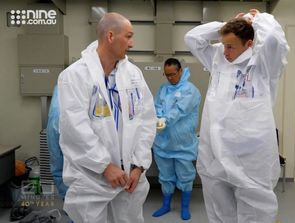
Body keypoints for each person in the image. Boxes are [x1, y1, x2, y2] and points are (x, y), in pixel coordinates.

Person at [184, 9, 289, 223]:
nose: (225, 51)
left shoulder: (264, 62)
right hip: (215, 152)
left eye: (230, 46)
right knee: (219, 209)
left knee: (256, 210)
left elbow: (274, 39)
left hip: (250, 155)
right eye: (224, 45)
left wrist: (257, 19)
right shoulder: (218, 58)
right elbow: (192, 38)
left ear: (249, 44)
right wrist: (228, 24)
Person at [57, 12, 156, 223]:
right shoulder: (74, 76)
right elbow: (75, 128)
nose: (132, 43)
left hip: (130, 178)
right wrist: (104, 166)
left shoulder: (133, 75)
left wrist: (139, 166)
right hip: (91, 178)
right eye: (128, 36)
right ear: (110, 36)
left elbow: (146, 121)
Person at [151, 58, 201, 220]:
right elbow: (156, 105)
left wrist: (165, 120)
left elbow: (181, 109)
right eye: (167, 75)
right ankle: (166, 205)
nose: (170, 78)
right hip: (163, 143)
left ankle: (184, 208)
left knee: (185, 175)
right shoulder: (163, 89)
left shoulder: (190, 90)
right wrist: (158, 117)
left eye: (173, 74)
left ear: (180, 71)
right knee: (165, 176)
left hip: (183, 144)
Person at [46, 85, 68, 200]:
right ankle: (68, 201)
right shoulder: (61, 85)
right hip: (58, 128)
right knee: (59, 166)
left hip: (57, 127)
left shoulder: (60, 86)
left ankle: (69, 201)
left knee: (59, 166)